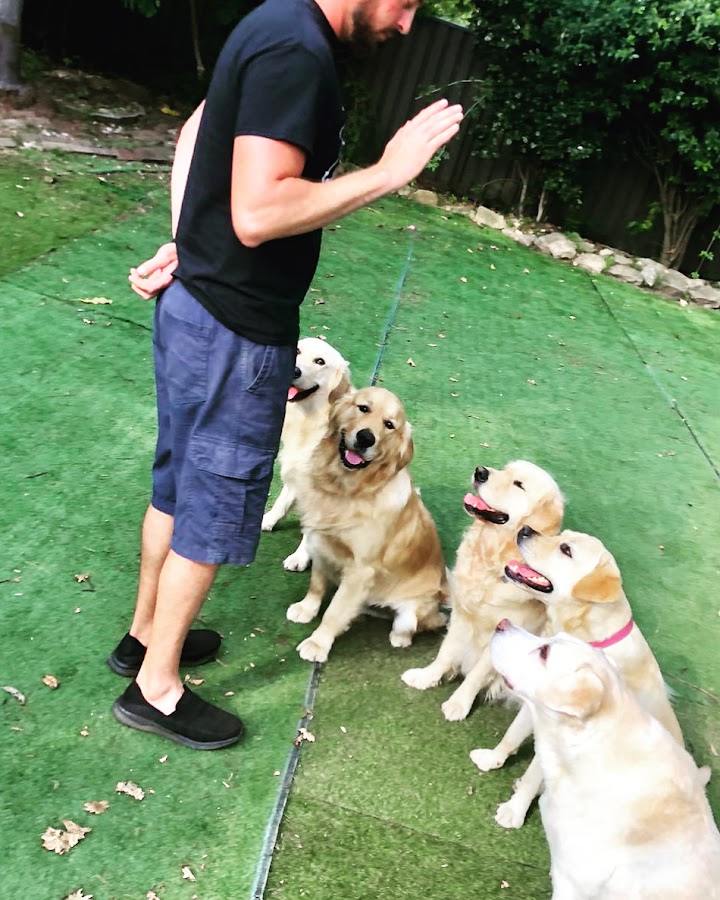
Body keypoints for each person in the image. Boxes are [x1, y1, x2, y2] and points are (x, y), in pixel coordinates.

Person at [109, 0, 464, 750]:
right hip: (233, 330)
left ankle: (143, 640)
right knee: (210, 505)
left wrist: (188, 239)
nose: (407, 25)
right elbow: (260, 213)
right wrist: (388, 173)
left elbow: (197, 129)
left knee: (177, 485)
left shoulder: (274, 22)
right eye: (407, 3)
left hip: (198, 307)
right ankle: (156, 689)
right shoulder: (298, 50)